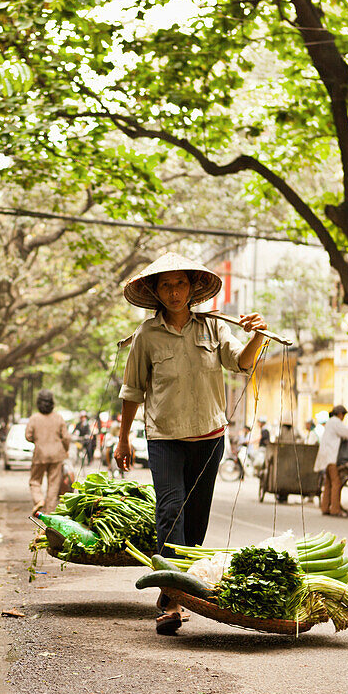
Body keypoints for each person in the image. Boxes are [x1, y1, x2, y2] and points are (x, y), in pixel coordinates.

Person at [113, 251, 267, 635]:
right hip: (164, 436)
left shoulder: (214, 329)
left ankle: (170, 591)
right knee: (170, 513)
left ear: (192, 287)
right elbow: (132, 390)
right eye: (165, 284)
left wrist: (258, 337)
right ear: (154, 290)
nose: (173, 291)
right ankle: (175, 601)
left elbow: (241, 363)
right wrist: (123, 440)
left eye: (180, 282)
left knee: (195, 522)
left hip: (209, 438)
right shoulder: (146, 336)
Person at [25, 390, 70, 516]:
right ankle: (49, 513)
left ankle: (39, 500)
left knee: (35, 481)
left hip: (40, 455)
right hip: (57, 455)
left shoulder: (34, 418)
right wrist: (66, 450)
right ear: (52, 403)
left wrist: (38, 440)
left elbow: (28, 436)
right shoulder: (58, 418)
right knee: (54, 485)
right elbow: (66, 437)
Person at [314, 405, 348, 518]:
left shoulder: (330, 422)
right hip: (330, 457)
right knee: (336, 482)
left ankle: (325, 507)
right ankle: (335, 509)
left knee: (328, 483)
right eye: (343, 415)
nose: (343, 417)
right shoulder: (335, 422)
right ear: (340, 414)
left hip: (326, 457)